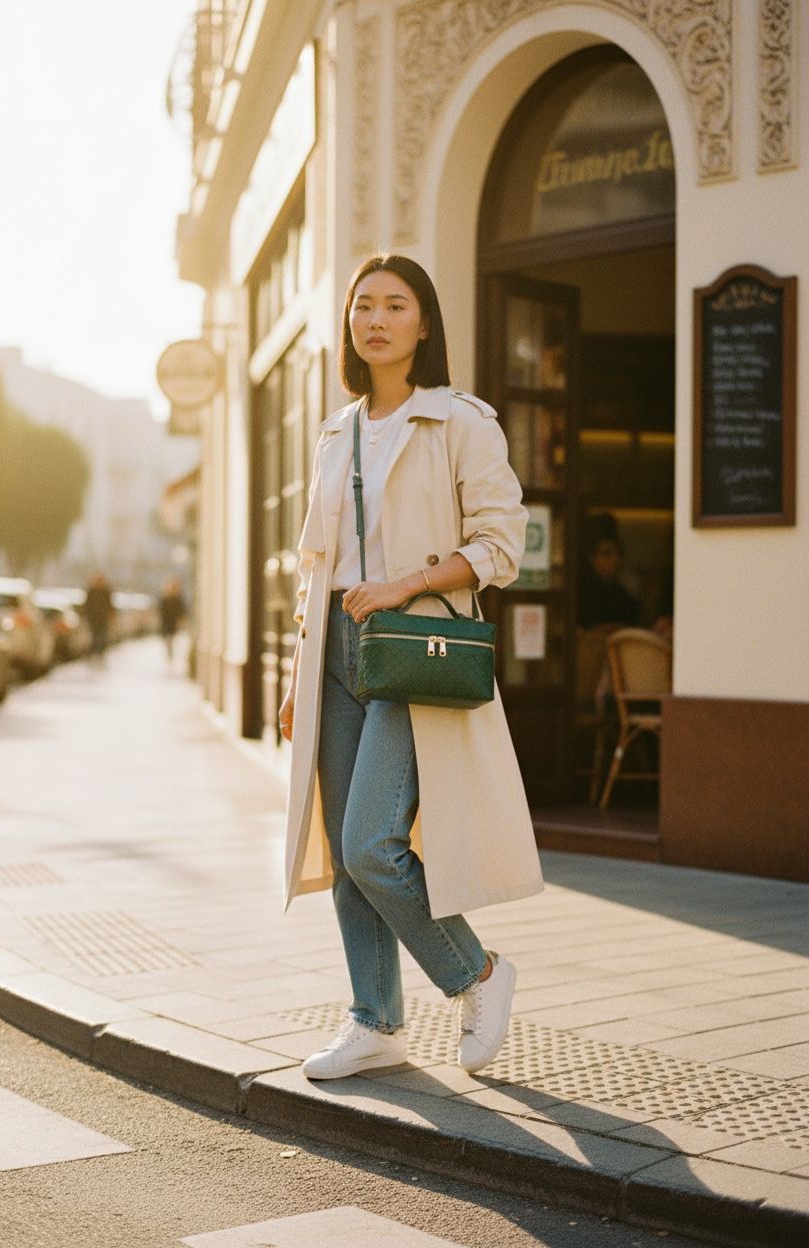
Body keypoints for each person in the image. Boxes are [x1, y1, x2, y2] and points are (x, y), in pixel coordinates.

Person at [279, 254, 544, 1082]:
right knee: (346, 851)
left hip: (415, 646)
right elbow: (315, 562)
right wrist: (295, 680)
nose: (377, 319)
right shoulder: (334, 431)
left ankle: (479, 973)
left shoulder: (460, 420)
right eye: (364, 305)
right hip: (335, 649)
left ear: (423, 324)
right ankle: (376, 1021)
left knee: (369, 842)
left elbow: (502, 544)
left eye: (397, 305)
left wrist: (408, 584)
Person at [577, 514, 640, 630]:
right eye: (607, 554)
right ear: (591, 559)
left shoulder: (625, 598)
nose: (615, 560)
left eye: (618, 554)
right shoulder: (580, 596)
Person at [83, 572, 114, 663]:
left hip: (103, 618)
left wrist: (110, 615)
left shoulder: (106, 591)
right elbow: (87, 605)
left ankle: (100, 652)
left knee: (102, 636)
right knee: (94, 636)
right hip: (93, 618)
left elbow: (109, 604)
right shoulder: (91, 591)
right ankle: (94, 652)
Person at [159, 576, 187, 664]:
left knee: (172, 641)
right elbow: (161, 611)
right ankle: (170, 656)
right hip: (166, 624)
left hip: (173, 624)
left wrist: (182, 621)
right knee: (168, 642)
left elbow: (182, 611)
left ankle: (171, 657)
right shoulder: (165, 599)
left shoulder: (177, 599)